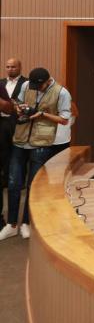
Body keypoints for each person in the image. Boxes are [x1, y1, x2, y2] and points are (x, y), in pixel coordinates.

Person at [0, 68, 71, 241]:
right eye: (33, 85)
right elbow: (17, 103)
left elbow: (64, 119)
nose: (35, 88)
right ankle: (11, 225)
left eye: (39, 86)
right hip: (20, 139)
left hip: (41, 142)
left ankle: (26, 223)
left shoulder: (61, 92)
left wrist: (42, 114)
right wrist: (20, 109)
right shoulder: (26, 85)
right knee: (13, 183)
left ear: (48, 81)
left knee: (33, 185)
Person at [0, 58, 26, 228]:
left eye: (13, 66)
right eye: (8, 67)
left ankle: (15, 182)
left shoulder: (27, 83)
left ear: (20, 67)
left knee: (15, 161)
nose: (10, 69)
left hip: (17, 126)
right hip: (1, 126)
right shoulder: (1, 83)